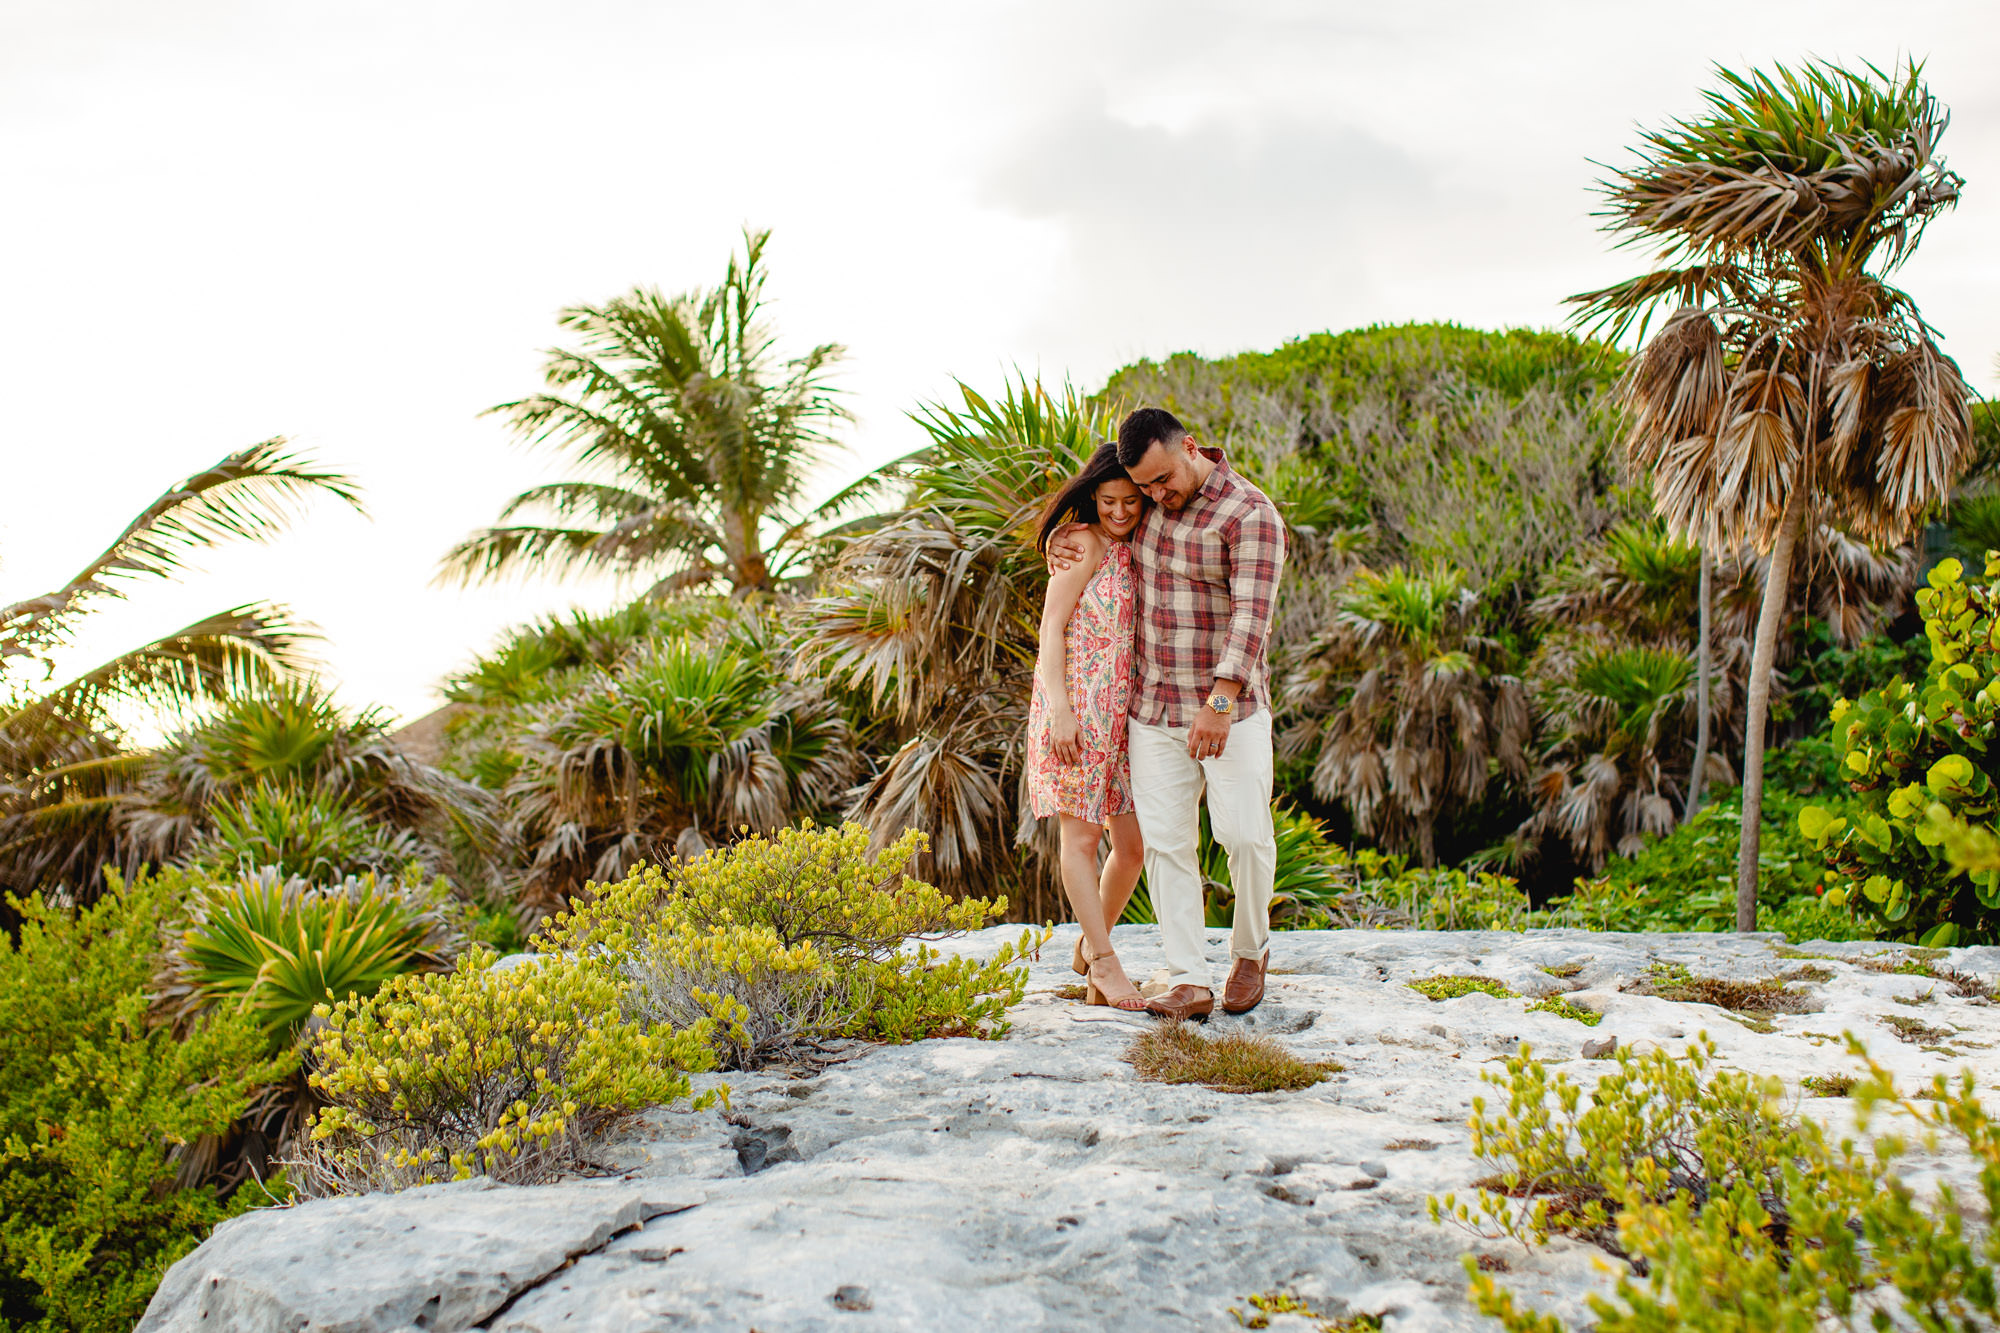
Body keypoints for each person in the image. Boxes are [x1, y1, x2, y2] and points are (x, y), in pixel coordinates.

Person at [1049, 407, 1286, 1021]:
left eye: (1160, 481)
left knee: (1242, 836)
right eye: (1145, 487)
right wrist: (1066, 535)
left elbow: (1251, 617)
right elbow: (1106, 516)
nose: (1154, 497)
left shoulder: (1249, 513)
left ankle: (1250, 951)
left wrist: (1220, 702)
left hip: (1228, 710)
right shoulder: (1152, 500)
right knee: (1166, 845)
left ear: (1189, 447)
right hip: (1151, 712)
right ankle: (1189, 978)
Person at [1027, 442, 1149, 1011]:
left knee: (1133, 847)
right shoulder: (1079, 543)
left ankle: (1088, 944)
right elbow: (1052, 630)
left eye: (1131, 501)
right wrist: (1059, 711)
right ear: (1091, 496)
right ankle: (1103, 963)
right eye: (1108, 501)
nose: (1120, 512)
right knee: (1081, 839)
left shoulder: (1135, 546)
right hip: (1075, 710)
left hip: (1122, 717)